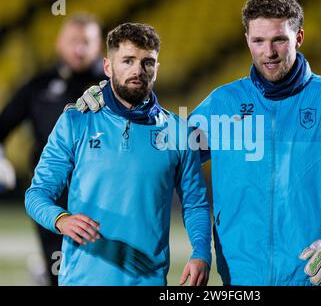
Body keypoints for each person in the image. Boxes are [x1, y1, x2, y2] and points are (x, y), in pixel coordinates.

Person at [75, 0, 321, 286]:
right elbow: (163, 150)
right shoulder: (223, 104)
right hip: (239, 278)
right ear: (247, 40)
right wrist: (110, 106)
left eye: (279, 40)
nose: (269, 52)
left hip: (311, 273)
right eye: (258, 41)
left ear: (298, 38)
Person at [25, 22, 211, 286]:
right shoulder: (76, 122)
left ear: (156, 69)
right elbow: (37, 194)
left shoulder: (180, 133)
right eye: (127, 61)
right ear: (108, 66)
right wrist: (61, 219)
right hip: (80, 281)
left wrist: (202, 253)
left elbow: (195, 204)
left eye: (147, 62)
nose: (137, 70)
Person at [0, 14, 105, 285]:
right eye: (73, 41)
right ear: (59, 43)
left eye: (87, 42)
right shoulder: (38, 85)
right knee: (59, 268)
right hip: (52, 195)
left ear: (98, 46)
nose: (79, 49)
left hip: (102, 194)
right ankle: (48, 273)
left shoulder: (113, 88)